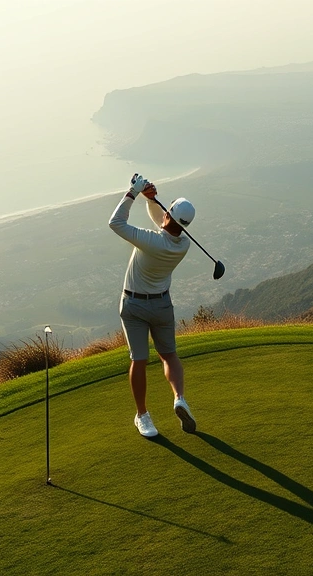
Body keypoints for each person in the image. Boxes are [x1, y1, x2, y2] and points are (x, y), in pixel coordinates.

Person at [109, 173, 197, 438]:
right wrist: (152, 200)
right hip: (162, 307)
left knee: (139, 360)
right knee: (169, 356)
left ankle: (143, 416)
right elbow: (165, 223)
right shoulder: (183, 244)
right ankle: (179, 397)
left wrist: (133, 193)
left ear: (169, 214)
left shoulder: (152, 241)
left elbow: (115, 223)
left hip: (134, 306)